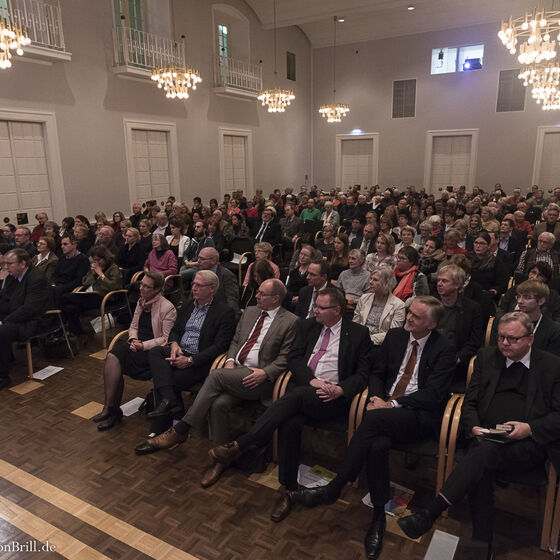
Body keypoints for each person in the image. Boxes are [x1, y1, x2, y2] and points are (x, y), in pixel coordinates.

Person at [289, 296, 456, 559]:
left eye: (417, 316)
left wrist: (393, 405)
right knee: (377, 444)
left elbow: (434, 394)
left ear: (432, 325)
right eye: (409, 312)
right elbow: (377, 372)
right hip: (383, 408)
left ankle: (336, 486)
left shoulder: (444, 348)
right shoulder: (396, 337)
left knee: (373, 421)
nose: (409, 318)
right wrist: (378, 399)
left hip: (418, 415)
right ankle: (378, 516)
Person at [398, 312, 560, 557]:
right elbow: (470, 403)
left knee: (481, 457)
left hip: (526, 443)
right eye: (501, 337)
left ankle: (430, 513)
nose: (504, 343)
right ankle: (481, 547)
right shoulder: (487, 357)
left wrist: (529, 428)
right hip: (484, 437)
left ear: (530, 339)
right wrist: (473, 427)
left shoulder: (552, 366)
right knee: (482, 459)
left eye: (512, 339)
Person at [208, 287, 372, 522]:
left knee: (291, 400)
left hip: (332, 398)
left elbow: (363, 373)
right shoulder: (308, 326)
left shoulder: (358, 333)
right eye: (315, 305)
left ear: (337, 310)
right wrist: (312, 381)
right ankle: (289, 490)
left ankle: (245, 443)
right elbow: (294, 359)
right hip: (306, 391)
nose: (315, 310)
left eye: (321, 308)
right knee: (289, 422)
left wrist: (341, 389)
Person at [134, 279, 298, 484]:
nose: (256, 295)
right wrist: (230, 360)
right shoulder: (250, 312)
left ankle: (181, 430)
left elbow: (286, 357)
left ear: (276, 298)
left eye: (262, 294)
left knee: (216, 376)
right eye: (258, 292)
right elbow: (236, 341)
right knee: (219, 404)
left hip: (260, 378)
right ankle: (221, 459)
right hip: (235, 371)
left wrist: (266, 373)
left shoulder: (290, 320)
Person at [144, 270, 237, 418]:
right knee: (155, 352)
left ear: (212, 288)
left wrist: (189, 361)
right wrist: (174, 344)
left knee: (166, 376)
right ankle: (170, 401)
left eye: (199, 285)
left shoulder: (224, 312)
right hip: (181, 350)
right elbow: (175, 330)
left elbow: (220, 346)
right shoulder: (188, 305)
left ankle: (170, 408)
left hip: (200, 360)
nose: (193, 288)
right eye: (193, 284)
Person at [93, 271, 177, 430]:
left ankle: (111, 412)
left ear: (157, 290)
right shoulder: (141, 302)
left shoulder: (168, 308)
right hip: (137, 345)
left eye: (146, 286)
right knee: (113, 356)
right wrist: (132, 340)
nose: (141, 288)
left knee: (117, 361)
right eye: (141, 284)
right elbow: (133, 326)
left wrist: (143, 345)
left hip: (153, 353)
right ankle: (110, 409)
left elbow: (166, 339)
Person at [0, 249, 51, 389]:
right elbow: (4, 300)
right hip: (16, 315)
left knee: (2, 331)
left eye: (9, 264)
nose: (5, 267)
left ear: (22, 264)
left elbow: (30, 309)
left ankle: (3, 376)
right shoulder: (11, 276)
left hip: (32, 320)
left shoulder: (37, 278)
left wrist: (4, 321)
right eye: (4, 264)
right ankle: (6, 358)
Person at [436, 265, 483, 390]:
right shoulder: (431, 304)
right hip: (429, 357)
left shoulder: (472, 308)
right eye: (438, 280)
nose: (439, 284)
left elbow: (474, 341)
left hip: (455, 361)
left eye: (444, 281)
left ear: (457, 285)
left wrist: (459, 358)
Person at [60, 245, 123, 336]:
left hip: (105, 297)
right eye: (94, 260)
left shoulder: (113, 268)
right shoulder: (94, 267)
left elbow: (113, 286)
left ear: (105, 258)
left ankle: (63, 329)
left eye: (98, 260)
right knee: (70, 308)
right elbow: (84, 281)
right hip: (90, 295)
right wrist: (93, 275)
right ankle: (78, 334)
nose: (96, 262)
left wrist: (101, 274)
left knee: (65, 297)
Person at [490, 280, 560, 355]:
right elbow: (494, 353)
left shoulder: (554, 330)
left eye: (527, 297)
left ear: (541, 301)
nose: (520, 301)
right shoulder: (503, 322)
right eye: (519, 296)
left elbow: (552, 361)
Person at [353, 266, 406, 351]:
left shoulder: (399, 305)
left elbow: (393, 334)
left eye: (375, 280)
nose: (370, 282)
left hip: (381, 347)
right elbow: (355, 324)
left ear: (386, 283)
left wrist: (367, 340)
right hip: (359, 343)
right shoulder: (364, 298)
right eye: (370, 279)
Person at [51, 234, 90, 304]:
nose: (62, 247)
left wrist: (61, 288)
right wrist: (54, 284)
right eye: (61, 244)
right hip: (58, 286)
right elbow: (55, 274)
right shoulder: (62, 258)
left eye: (65, 244)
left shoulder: (82, 259)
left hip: (71, 289)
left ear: (74, 245)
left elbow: (79, 280)